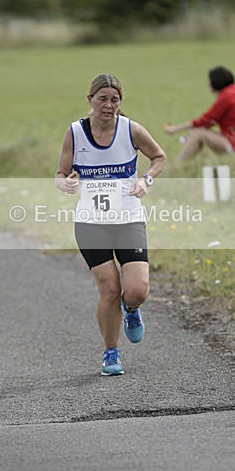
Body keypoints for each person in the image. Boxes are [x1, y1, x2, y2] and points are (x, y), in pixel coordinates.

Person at [55, 73, 166, 376]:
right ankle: (110, 352)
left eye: (114, 99)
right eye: (102, 98)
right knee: (108, 289)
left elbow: (158, 157)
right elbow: (61, 171)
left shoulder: (132, 130)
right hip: (91, 222)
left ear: (120, 102)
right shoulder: (75, 133)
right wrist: (63, 182)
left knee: (137, 290)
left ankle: (131, 310)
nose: (108, 104)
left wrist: (146, 179)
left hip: (127, 218)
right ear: (89, 99)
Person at [164, 66, 235, 161]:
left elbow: (205, 120)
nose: (208, 84)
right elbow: (211, 122)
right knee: (196, 131)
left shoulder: (226, 97)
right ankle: (186, 163)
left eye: (209, 81)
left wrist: (175, 129)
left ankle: (178, 164)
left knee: (198, 134)